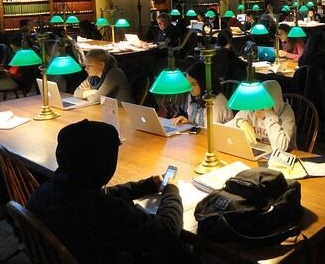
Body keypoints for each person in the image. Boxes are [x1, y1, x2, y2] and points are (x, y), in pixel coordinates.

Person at [27, 120, 186, 263]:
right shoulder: (105, 210)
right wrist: (171, 189)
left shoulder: (48, 190)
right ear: (103, 163)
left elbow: (102, 195)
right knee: (180, 253)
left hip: (72, 254)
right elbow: (167, 231)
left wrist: (146, 185)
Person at [226, 80, 297, 151]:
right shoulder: (251, 110)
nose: (256, 112)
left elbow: (280, 148)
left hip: (285, 155)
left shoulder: (286, 113)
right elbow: (224, 129)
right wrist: (241, 122)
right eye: (255, 107)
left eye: (262, 108)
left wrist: (270, 115)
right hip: (259, 150)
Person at [167, 60, 234, 126]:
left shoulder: (216, 103)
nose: (190, 88)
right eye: (188, 84)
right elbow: (198, 127)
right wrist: (188, 123)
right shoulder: (194, 95)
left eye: (193, 84)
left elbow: (210, 133)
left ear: (204, 83)